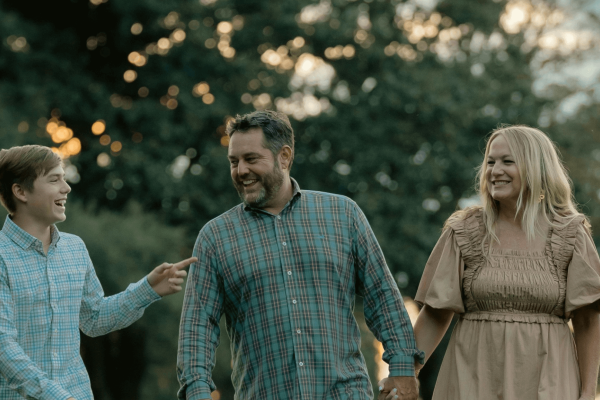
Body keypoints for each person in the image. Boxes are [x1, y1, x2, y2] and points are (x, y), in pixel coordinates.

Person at [177, 110, 423, 400]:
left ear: (284, 156)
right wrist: (197, 391)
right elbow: (197, 326)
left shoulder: (343, 215)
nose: (240, 170)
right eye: (234, 161)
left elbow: (382, 295)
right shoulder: (215, 237)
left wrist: (403, 368)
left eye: (251, 159)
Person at [413, 125, 600, 400]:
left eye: (507, 161)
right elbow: (435, 313)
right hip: (472, 380)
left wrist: (586, 393)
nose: (494, 171)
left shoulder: (571, 234)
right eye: (490, 162)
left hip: (549, 381)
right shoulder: (464, 230)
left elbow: (587, 321)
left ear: (536, 167)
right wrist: (404, 372)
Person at [0, 144, 196, 400]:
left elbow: (94, 319)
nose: (66, 187)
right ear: (20, 191)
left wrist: (147, 289)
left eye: (64, 178)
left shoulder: (75, 249)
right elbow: (4, 347)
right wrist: (58, 397)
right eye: (54, 179)